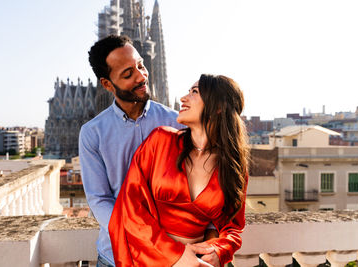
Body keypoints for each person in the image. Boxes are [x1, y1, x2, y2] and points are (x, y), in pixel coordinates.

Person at [109, 74, 250, 267]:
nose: (184, 98)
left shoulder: (233, 167)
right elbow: (129, 207)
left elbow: (233, 227)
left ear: (218, 107)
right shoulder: (160, 141)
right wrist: (175, 255)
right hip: (150, 258)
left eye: (194, 92)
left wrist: (218, 252)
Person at [79, 35, 184, 267]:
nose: (141, 76)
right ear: (107, 84)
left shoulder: (177, 122)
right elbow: (99, 198)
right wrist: (136, 232)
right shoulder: (92, 133)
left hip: (171, 257)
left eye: (141, 66)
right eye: (128, 74)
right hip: (115, 256)